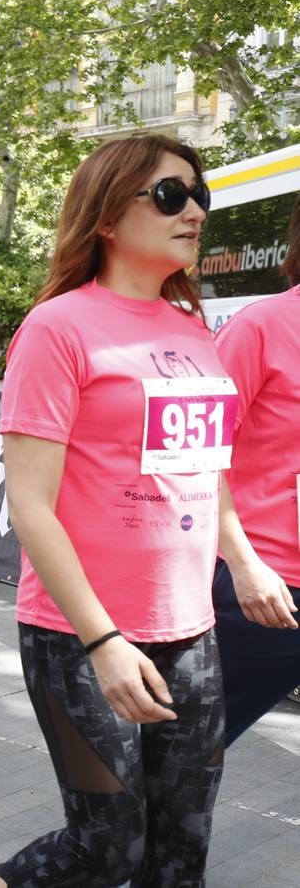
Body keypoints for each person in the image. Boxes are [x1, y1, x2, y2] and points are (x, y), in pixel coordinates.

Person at [0, 134, 259, 888]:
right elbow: (30, 506)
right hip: (79, 637)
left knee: (181, 849)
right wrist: (104, 641)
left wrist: (244, 562)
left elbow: (207, 465)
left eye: (199, 196)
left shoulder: (194, 330)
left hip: (192, 631)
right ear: (108, 215)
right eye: (171, 195)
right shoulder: (57, 330)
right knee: (108, 844)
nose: (194, 212)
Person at [210, 196, 300, 746]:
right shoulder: (259, 328)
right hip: (266, 590)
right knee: (175, 765)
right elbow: (197, 461)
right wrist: (244, 566)